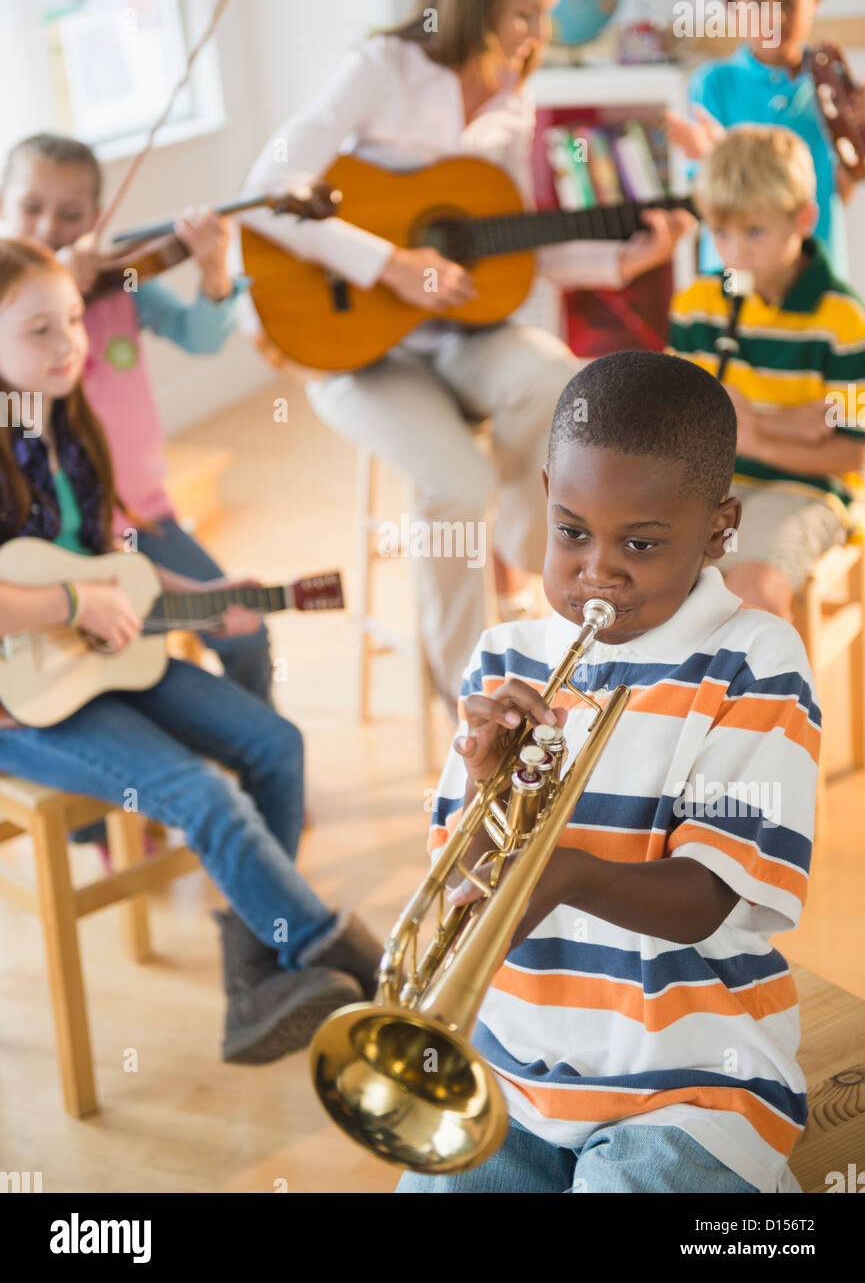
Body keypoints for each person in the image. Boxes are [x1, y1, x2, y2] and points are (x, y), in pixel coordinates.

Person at [240, 0, 693, 711]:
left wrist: (622, 258)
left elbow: (512, 244)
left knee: (571, 393)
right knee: (455, 482)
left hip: (466, 334)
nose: (532, 33)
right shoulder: (381, 67)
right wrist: (391, 263)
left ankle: (530, 565)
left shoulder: (513, 91)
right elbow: (266, 192)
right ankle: (469, 694)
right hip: (359, 348)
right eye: (523, 12)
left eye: (543, 14)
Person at [398, 350, 816, 1194]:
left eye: (640, 543)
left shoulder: (753, 660)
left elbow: (706, 898)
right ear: (545, 494)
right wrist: (486, 784)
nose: (598, 571)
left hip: (693, 1083)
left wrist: (562, 874)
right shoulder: (502, 658)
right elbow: (463, 893)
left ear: (717, 529)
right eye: (571, 532)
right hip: (512, 1069)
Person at [0, 237, 381, 1062]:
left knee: (276, 744)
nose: (70, 343)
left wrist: (212, 598)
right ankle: (329, 950)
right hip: (21, 706)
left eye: (73, 319)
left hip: (104, 659)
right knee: (200, 795)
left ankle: (254, 970)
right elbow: (67, 588)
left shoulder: (71, 419)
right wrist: (71, 601)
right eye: (39, 330)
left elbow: (108, 549)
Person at [0, 133, 273, 704]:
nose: (49, 227)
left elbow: (200, 338)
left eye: (71, 215)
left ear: (97, 219)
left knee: (246, 635)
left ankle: (255, 744)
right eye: (31, 208)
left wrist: (213, 268)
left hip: (140, 516)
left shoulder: (121, 283)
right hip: (54, 537)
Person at [667, 125, 865, 619]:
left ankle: (773, 698)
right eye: (720, 232)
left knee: (751, 592)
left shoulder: (844, 320)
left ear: (804, 219)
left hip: (807, 491)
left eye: (754, 232)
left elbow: (854, 451)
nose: (735, 253)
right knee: (646, 575)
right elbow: (676, 426)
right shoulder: (696, 306)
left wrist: (756, 439)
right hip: (711, 486)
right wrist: (788, 423)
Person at [667, 0, 857, 278]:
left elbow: (835, 193)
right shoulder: (713, 83)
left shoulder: (831, 86)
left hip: (812, 272)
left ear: (817, 0)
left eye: (787, 1)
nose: (773, 17)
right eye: (756, 3)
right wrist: (713, 156)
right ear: (730, 9)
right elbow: (710, 201)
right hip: (732, 275)